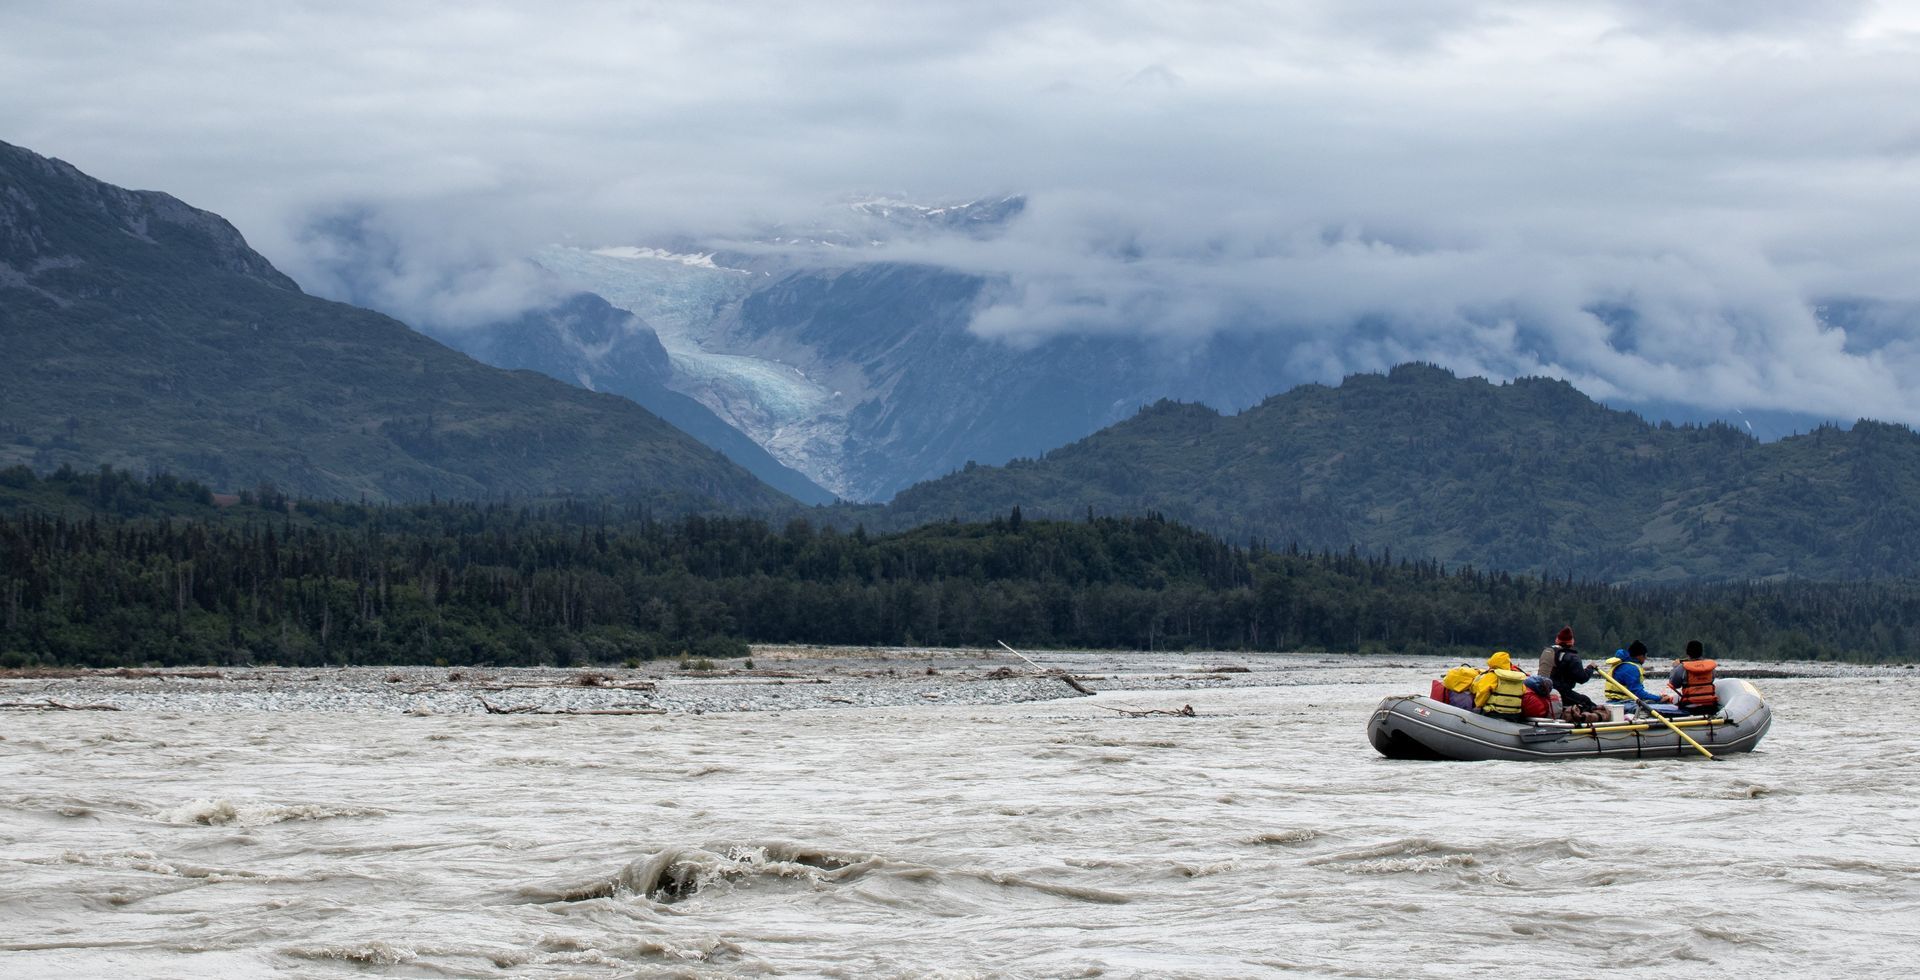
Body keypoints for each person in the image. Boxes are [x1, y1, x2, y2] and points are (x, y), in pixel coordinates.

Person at [1603, 640, 1675, 715]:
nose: (1645, 659)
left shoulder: (1622, 664)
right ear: (1640, 656)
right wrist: (1659, 698)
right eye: (1645, 656)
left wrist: (1657, 698)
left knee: (1653, 701)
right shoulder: (1631, 668)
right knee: (1663, 704)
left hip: (1613, 701)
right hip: (1623, 703)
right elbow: (1638, 693)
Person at [1541, 626, 1598, 710]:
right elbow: (1582, 678)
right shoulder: (1572, 657)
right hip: (1561, 692)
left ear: (1557, 640)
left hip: (1542, 689)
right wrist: (1591, 667)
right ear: (1571, 641)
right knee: (1586, 702)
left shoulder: (1547, 651)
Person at [1667, 640, 1720, 715]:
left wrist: (1675, 667)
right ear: (1701, 652)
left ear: (1687, 653)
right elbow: (1712, 679)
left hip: (1690, 706)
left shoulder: (1682, 668)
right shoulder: (1711, 669)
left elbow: (1674, 684)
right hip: (1710, 705)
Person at [1472, 651, 1529, 719]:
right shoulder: (1518, 678)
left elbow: (1483, 691)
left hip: (1493, 713)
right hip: (1514, 715)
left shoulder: (1492, 675)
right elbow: (1524, 692)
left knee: (1474, 711)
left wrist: (1478, 705)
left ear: (1492, 662)